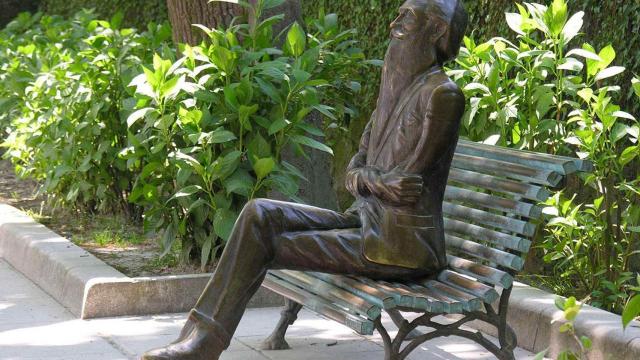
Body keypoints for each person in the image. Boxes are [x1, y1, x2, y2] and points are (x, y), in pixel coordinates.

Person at [142, 1, 468, 359]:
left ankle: (204, 345)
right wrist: (370, 180)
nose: (394, 24)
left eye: (407, 17)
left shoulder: (443, 95)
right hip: (367, 223)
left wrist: (366, 179)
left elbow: (404, 187)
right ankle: (196, 338)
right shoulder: (393, 94)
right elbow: (358, 172)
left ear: (437, 30)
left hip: (403, 247)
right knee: (259, 212)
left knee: (262, 245)